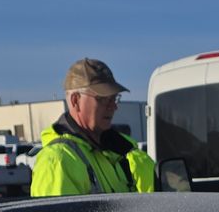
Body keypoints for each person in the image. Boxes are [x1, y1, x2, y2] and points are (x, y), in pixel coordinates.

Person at [30, 58, 155, 197]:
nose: (113, 106)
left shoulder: (120, 150)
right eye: (103, 99)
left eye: (114, 98)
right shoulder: (57, 160)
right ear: (75, 100)